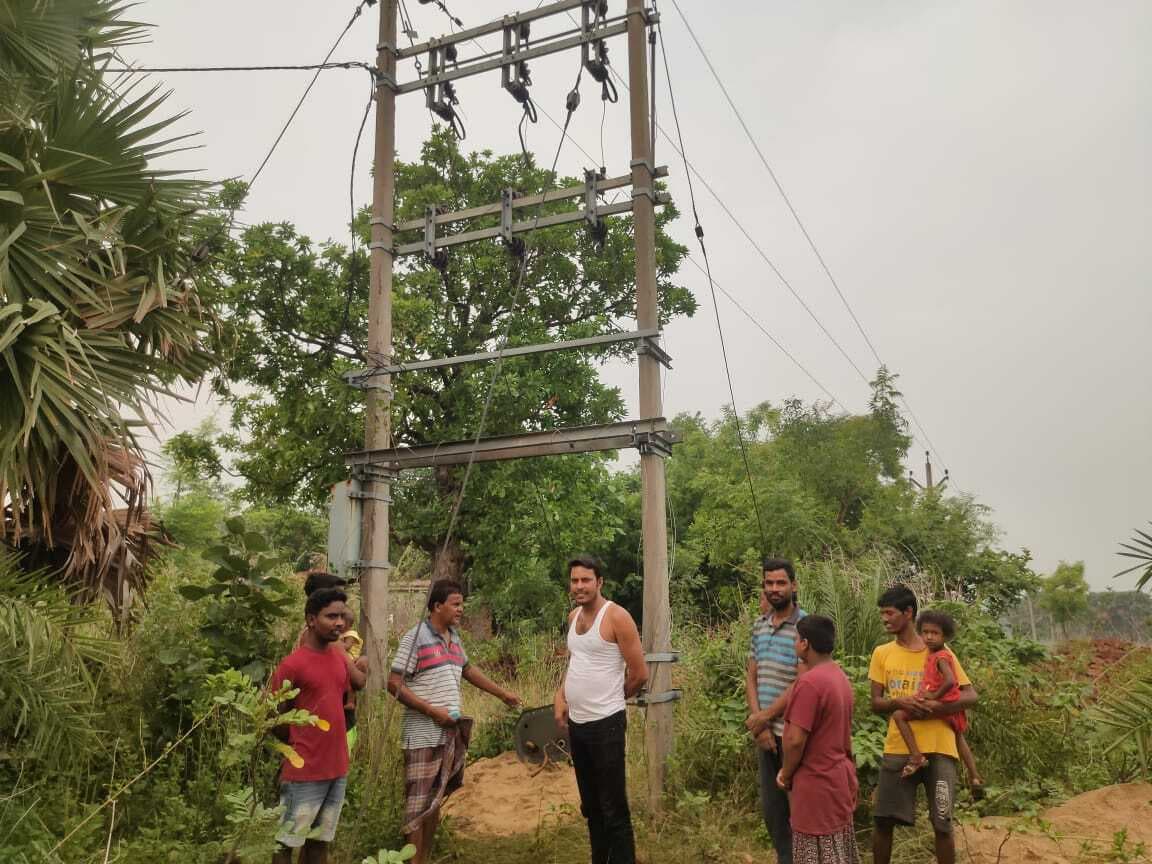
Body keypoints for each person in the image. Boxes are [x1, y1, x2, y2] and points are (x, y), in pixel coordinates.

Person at [388, 579, 521, 864]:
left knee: (434, 803)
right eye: (456, 604)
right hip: (422, 734)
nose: (461, 610)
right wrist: (431, 711)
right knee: (417, 805)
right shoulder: (416, 637)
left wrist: (503, 694)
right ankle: (412, 860)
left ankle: (424, 857)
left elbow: (468, 670)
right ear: (437, 606)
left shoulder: (454, 638)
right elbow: (394, 683)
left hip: (449, 733)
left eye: (462, 604)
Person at [869, 585, 978, 864]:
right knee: (883, 819)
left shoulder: (939, 650)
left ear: (908, 613)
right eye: (882, 613)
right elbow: (876, 703)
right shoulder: (882, 653)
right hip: (899, 746)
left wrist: (933, 708)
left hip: (940, 747)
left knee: (942, 823)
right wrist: (901, 703)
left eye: (889, 613)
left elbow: (969, 695)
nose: (884, 619)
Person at [554, 555, 648, 864]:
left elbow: (639, 673)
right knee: (591, 807)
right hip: (578, 726)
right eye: (575, 580)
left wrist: (613, 698)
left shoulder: (617, 617)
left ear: (600, 582)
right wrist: (561, 696)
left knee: (613, 809)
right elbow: (574, 663)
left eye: (586, 580)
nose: (579, 586)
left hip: (606, 725)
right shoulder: (572, 617)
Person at [268, 588, 367, 864]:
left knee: (320, 842)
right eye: (330, 616)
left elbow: (352, 689)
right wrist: (300, 743)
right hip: (304, 771)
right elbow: (273, 716)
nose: (339, 623)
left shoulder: (338, 658)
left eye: (341, 616)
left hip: (336, 768)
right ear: (311, 620)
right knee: (287, 843)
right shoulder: (292, 665)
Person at [776, 615, 859, 864]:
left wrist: (786, 774)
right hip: (838, 782)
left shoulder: (809, 683)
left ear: (805, 644)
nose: (795, 645)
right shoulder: (839, 677)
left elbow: (794, 740)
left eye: (796, 640)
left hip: (816, 787)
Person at [744, 558, 807, 864]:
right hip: (765, 735)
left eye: (781, 583)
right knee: (772, 811)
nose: (774, 588)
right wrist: (759, 725)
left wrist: (765, 717)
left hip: (794, 735)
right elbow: (752, 676)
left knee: (800, 809)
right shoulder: (759, 625)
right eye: (769, 583)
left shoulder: (805, 627)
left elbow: (801, 683)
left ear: (793, 586)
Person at [891, 611, 983, 789]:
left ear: (945, 636)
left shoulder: (940, 656)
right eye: (925, 632)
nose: (929, 637)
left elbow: (950, 681)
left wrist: (934, 696)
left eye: (935, 633)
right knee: (958, 737)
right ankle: (975, 776)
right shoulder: (937, 654)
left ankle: (916, 756)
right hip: (951, 704)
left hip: (941, 703)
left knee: (898, 716)